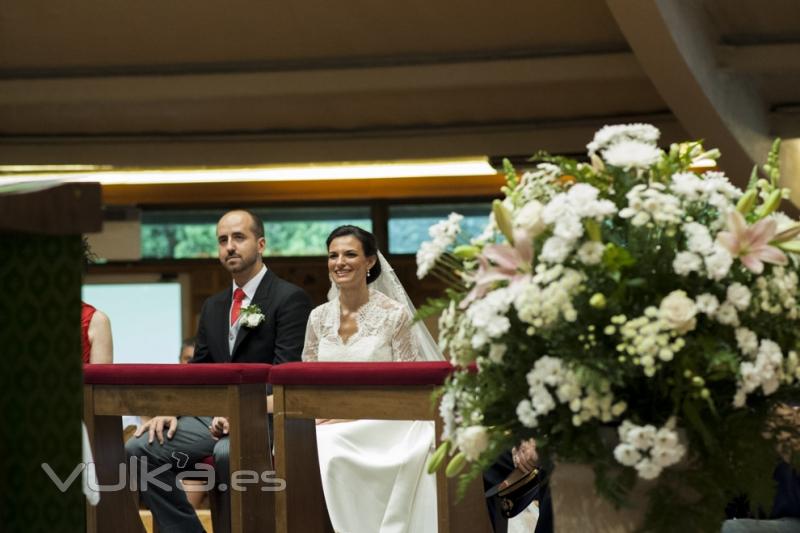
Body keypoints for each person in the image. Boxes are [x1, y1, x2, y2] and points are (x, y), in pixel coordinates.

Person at [125, 209, 312, 533]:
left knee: (228, 453)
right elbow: (198, 370)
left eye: (239, 237)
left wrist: (241, 412)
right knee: (138, 449)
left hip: (265, 417)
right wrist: (172, 410)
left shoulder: (289, 298)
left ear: (261, 243)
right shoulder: (214, 305)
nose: (229, 246)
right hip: (210, 418)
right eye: (223, 240)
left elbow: (284, 374)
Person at [302, 225, 442, 533]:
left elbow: (410, 386)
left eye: (350, 254)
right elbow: (307, 380)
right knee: (310, 441)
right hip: (327, 419)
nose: (340, 262)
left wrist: (347, 414)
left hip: (385, 421)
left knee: (331, 444)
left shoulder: (394, 315)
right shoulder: (317, 317)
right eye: (333, 255)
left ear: (370, 262)